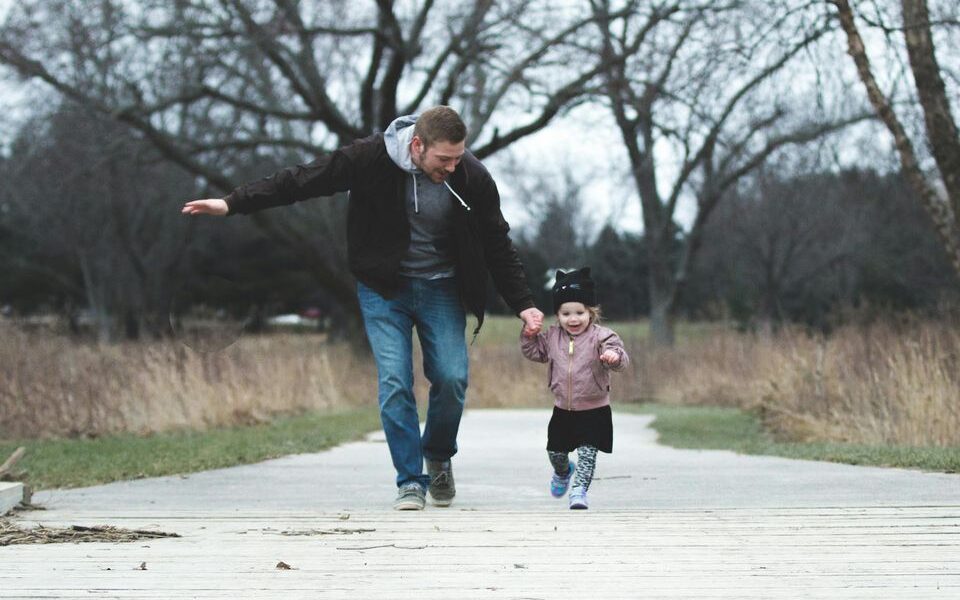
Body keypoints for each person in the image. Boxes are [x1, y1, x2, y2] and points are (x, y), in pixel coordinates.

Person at [182, 106, 544, 511]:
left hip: (441, 286)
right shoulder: (369, 157)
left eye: (458, 157)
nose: (452, 166)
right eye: (444, 159)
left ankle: (438, 454)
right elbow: (302, 180)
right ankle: (410, 480)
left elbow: (498, 242)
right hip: (383, 288)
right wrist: (232, 203)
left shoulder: (471, 176)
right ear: (417, 144)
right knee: (395, 381)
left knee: (452, 377)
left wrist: (524, 305)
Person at [519, 267, 628, 509]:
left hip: (595, 409)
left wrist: (613, 356)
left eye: (580, 312)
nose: (573, 319)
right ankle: (563, 471)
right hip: (563, 410)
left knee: (588, 456)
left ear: (591, 312)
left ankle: (579, 492)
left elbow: (621, 357)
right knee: (555, 453)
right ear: (557, 315)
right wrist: (528, 335)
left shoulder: (602, 337)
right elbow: (534, 352)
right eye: (566, 313)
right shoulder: (552, 337)